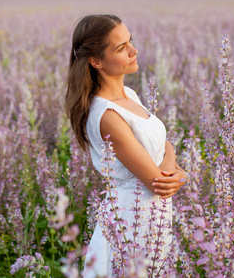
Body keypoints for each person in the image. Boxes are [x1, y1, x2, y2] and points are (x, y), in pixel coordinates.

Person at [64, 14, 187, 277]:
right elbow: (158, 182)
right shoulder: (107, 114)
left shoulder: (128, 95)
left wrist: (170, 153)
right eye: (121, 48)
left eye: (130, 41)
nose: (134, 50)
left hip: (153, 214)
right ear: (96, 61)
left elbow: (159, 145)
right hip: (132, 219)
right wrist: (179, 169)